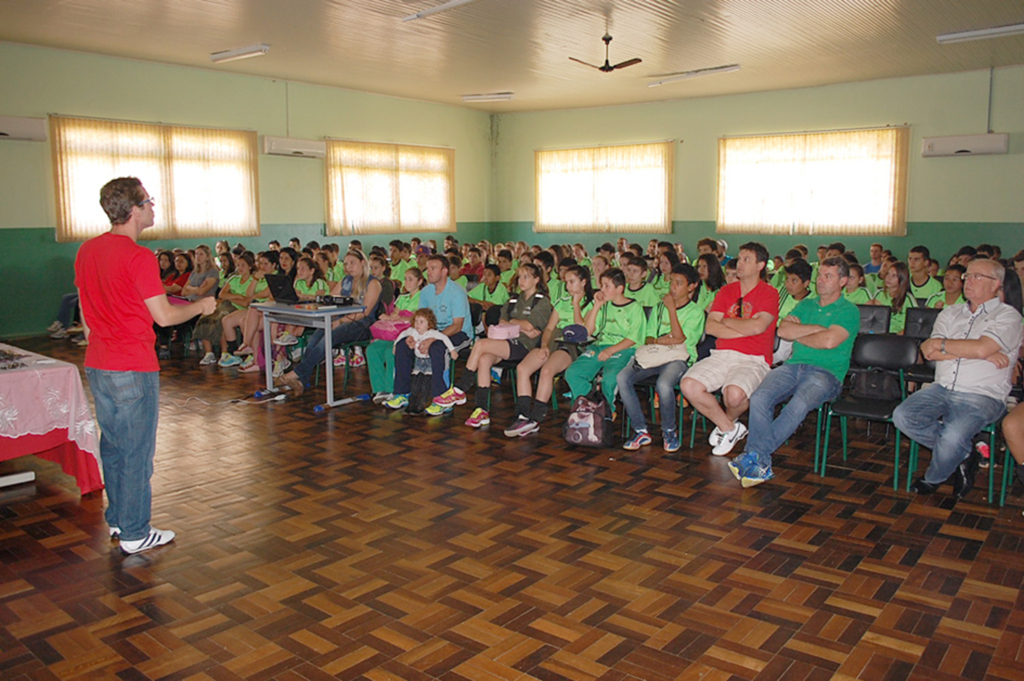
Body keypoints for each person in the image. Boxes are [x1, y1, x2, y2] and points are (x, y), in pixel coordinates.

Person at [76, 177, 216, 554]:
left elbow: (86, 315)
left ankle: (120, 519)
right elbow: (165, 316)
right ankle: (137, 531)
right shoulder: (138, 257)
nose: (154, 207)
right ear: (135, 210)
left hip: (99, 363)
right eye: (149, 201)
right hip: (133, 365)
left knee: (115, 446)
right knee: (137, 451)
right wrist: (201, 306)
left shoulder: (87, 250)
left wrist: (102, 340)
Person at [893, 258, 1023, 499]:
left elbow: (979, 348)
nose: (968, 281)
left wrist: (967, 349)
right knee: (903, 416)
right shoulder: (951, 312)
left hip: (982, 394)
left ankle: (933, 478)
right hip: (942, 388)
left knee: (953, 435)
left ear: (996, 284)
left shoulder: (1008, 316)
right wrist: (978, 351)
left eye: (977, 276)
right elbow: (928, 351)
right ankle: (965, 453)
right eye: (967, 276)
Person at [727, 257, 860, 487]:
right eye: (820, 275)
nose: (820, 281)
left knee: (797, 403)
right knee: (759, 396)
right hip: (793, 366)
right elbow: (784, 331)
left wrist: (801, 332)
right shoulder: (807, 305)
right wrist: (815, 330)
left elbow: (829, 341)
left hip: (826, 374)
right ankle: (761, 463)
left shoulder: (849, 311)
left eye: (828, 277)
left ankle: (755, 454)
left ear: (843, 281)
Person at [680, 242, 779, 457]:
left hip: (753, 358)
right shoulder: (727, 291)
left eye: (747, 260)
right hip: (721, 354)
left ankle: (726, 425)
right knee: (689, 385)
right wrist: (745, 328)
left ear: (761, 265)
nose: (740, 263)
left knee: (734, 395)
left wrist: (727, 321)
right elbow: (711, 326)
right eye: (740, 258)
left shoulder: (769, 293)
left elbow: (758, 326)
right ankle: (729, 428)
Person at [431, 263, 553, 426]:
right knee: (484, 359)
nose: (521, 281)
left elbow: (531, 326)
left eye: (526, 277)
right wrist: (518, 325)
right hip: (506, 342)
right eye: (520, 277)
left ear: (537, 280)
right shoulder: (513, 299)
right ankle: (482, 410)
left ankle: (460, 389)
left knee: (480, 344)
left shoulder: (542, 301)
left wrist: (514, 324)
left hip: (525, 346)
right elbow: (502, 320)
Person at [618, 263, 705, 453]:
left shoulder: (695, 312)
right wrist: (663, 339)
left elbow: (681, 340)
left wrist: (672, 310)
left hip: (679, 358)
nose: (672, 287)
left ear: (691, 287)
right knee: (623, 377)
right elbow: (649, 338)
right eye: (671, 282)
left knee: (664, 384)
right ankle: (641, 429)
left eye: (679, 283)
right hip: (654, 356)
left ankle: (669, 431)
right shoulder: (658, 308)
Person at [504, 265, 594, 437]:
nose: (568, 286)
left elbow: (581, 330)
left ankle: (536, 418)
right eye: (566, 282)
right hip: (553, 342)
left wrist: (575, 303)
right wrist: (544, 345)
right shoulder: (561, 302)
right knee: (522, 368)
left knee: (547, 370)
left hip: (572, 345)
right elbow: (549, 329)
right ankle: (523, 415)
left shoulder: (591, 304)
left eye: (572, 282)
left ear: (584, 282)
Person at [280, 250, 382, 396]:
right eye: (346, 264)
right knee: (314, 339)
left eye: (353, 263)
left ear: (362, 262)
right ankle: (301, 380)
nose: (349, 267)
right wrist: (307, 298)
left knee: (329, 337)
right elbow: (329, 298)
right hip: (340, 319)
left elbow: (364, 312)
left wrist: (340, 321)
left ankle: (297, 373)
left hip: (363, 324)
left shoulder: (373, 283)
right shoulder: (345, 281)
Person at [385, 255, 473, 409]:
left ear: (444, 271)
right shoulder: (426, 292)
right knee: (403, 345)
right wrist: (414, 336)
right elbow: (420, 319)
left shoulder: (456, 292)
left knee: (439, 348)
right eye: (427, 268)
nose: (428, 272)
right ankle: (402, 393)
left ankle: (442, 398)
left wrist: (433, 339)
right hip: (432, 331)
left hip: (459, 334)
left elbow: (457, 325)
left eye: (433, 268)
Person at [564, 268, 646, 412]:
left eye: (606, 286)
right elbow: (588, 332)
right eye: (601, 285)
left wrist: (611, 350)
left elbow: (633, 338)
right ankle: (588, 402)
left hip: (624, 349)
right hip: (600, 347)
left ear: (619, 288)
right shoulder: (603, 305)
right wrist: (596, 306)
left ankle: (607, 410)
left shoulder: (635, 308)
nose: (602, 289)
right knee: (573, 372)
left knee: (610, 378)